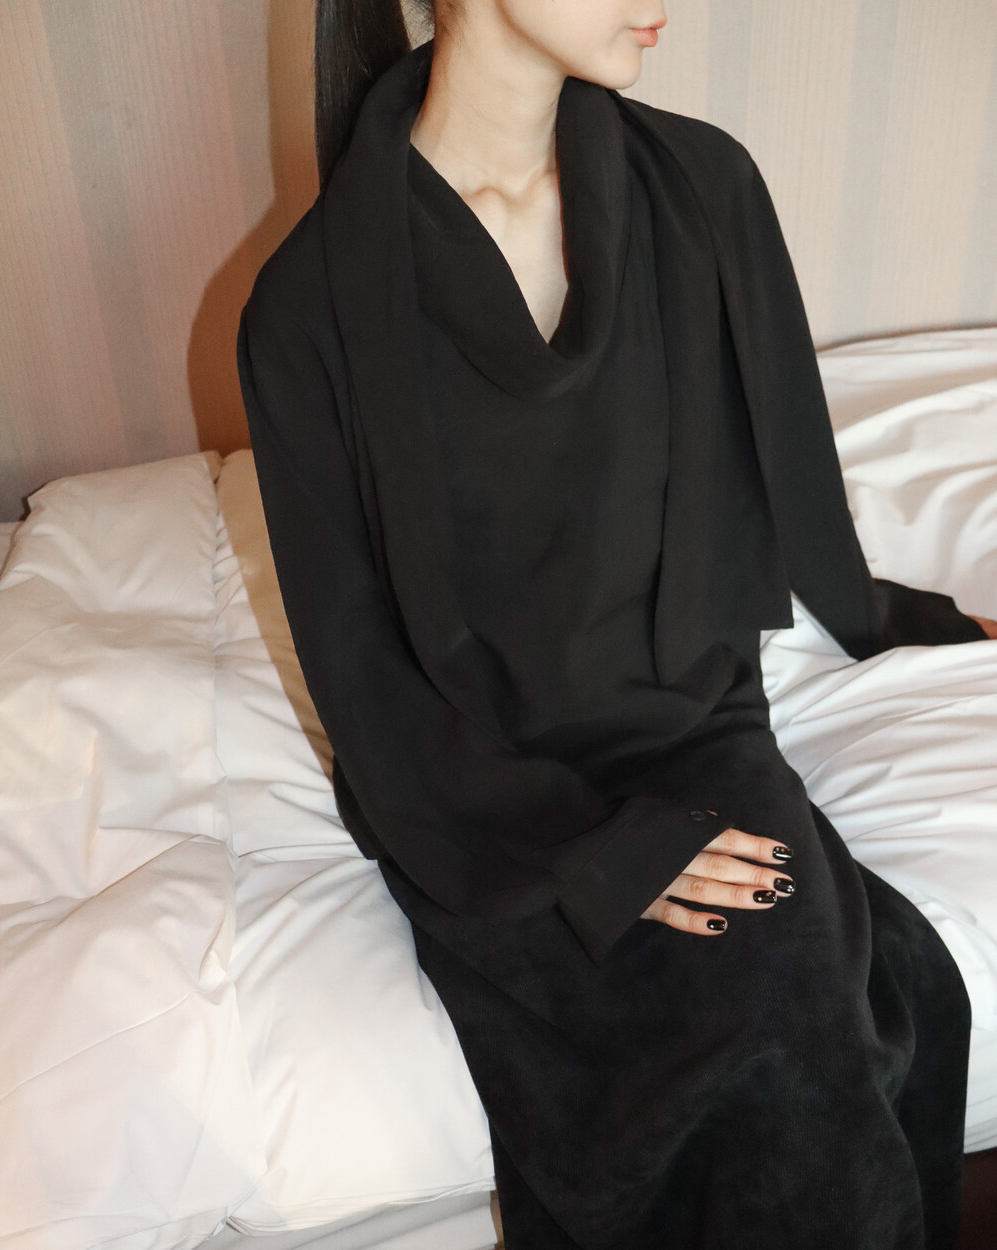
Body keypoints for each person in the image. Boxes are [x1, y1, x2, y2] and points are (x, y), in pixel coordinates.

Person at [236, 2, 995, 1246]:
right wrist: (594, 860)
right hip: (483, 786)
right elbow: (367, 683)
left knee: (806, 1007)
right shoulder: (309, 305)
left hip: (695, 722)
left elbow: (792, 467)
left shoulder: (703, 189)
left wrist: (894, 617)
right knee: (762, 1039)